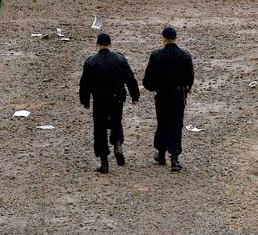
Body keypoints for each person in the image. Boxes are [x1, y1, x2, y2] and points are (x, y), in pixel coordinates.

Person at [79, 31, 140, 173]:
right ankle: (117, 144)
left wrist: (85, 100)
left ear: (97, 44)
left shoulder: (90, 62)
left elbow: (85, 84)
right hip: (117, 98)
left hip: (100, 100)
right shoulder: (120, 59)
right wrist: (134, 95)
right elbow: (130, 78)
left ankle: (104, 162)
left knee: (100, 129)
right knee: (116, 123)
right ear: (110, 44)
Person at [141, 25, 195, 172]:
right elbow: (190, 78)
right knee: (176, 125)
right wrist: (185, 91)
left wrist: (153, 88)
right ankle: (175, 158)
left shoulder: (156, 56)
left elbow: (147, 81)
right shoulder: (185, 56)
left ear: (163, 38)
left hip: (162, 95)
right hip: (178, 96)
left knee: (162, 124)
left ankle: (161, 153)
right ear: (175, 37)